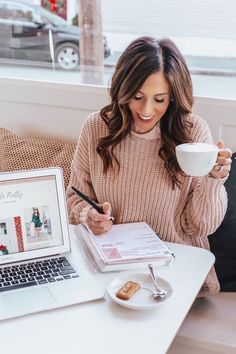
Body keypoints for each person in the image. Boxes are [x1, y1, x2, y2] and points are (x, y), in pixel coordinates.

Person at [66, 36, 232, 295]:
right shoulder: (96, 128)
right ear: (123, 89)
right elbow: (75, 198)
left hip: (178, 267)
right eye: (137, 96)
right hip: (112, 268)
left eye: (160, 99)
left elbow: (200, 226)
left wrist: (213, 180)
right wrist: (90, 216)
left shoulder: (193, 133)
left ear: (173, 98)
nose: (146, 109)